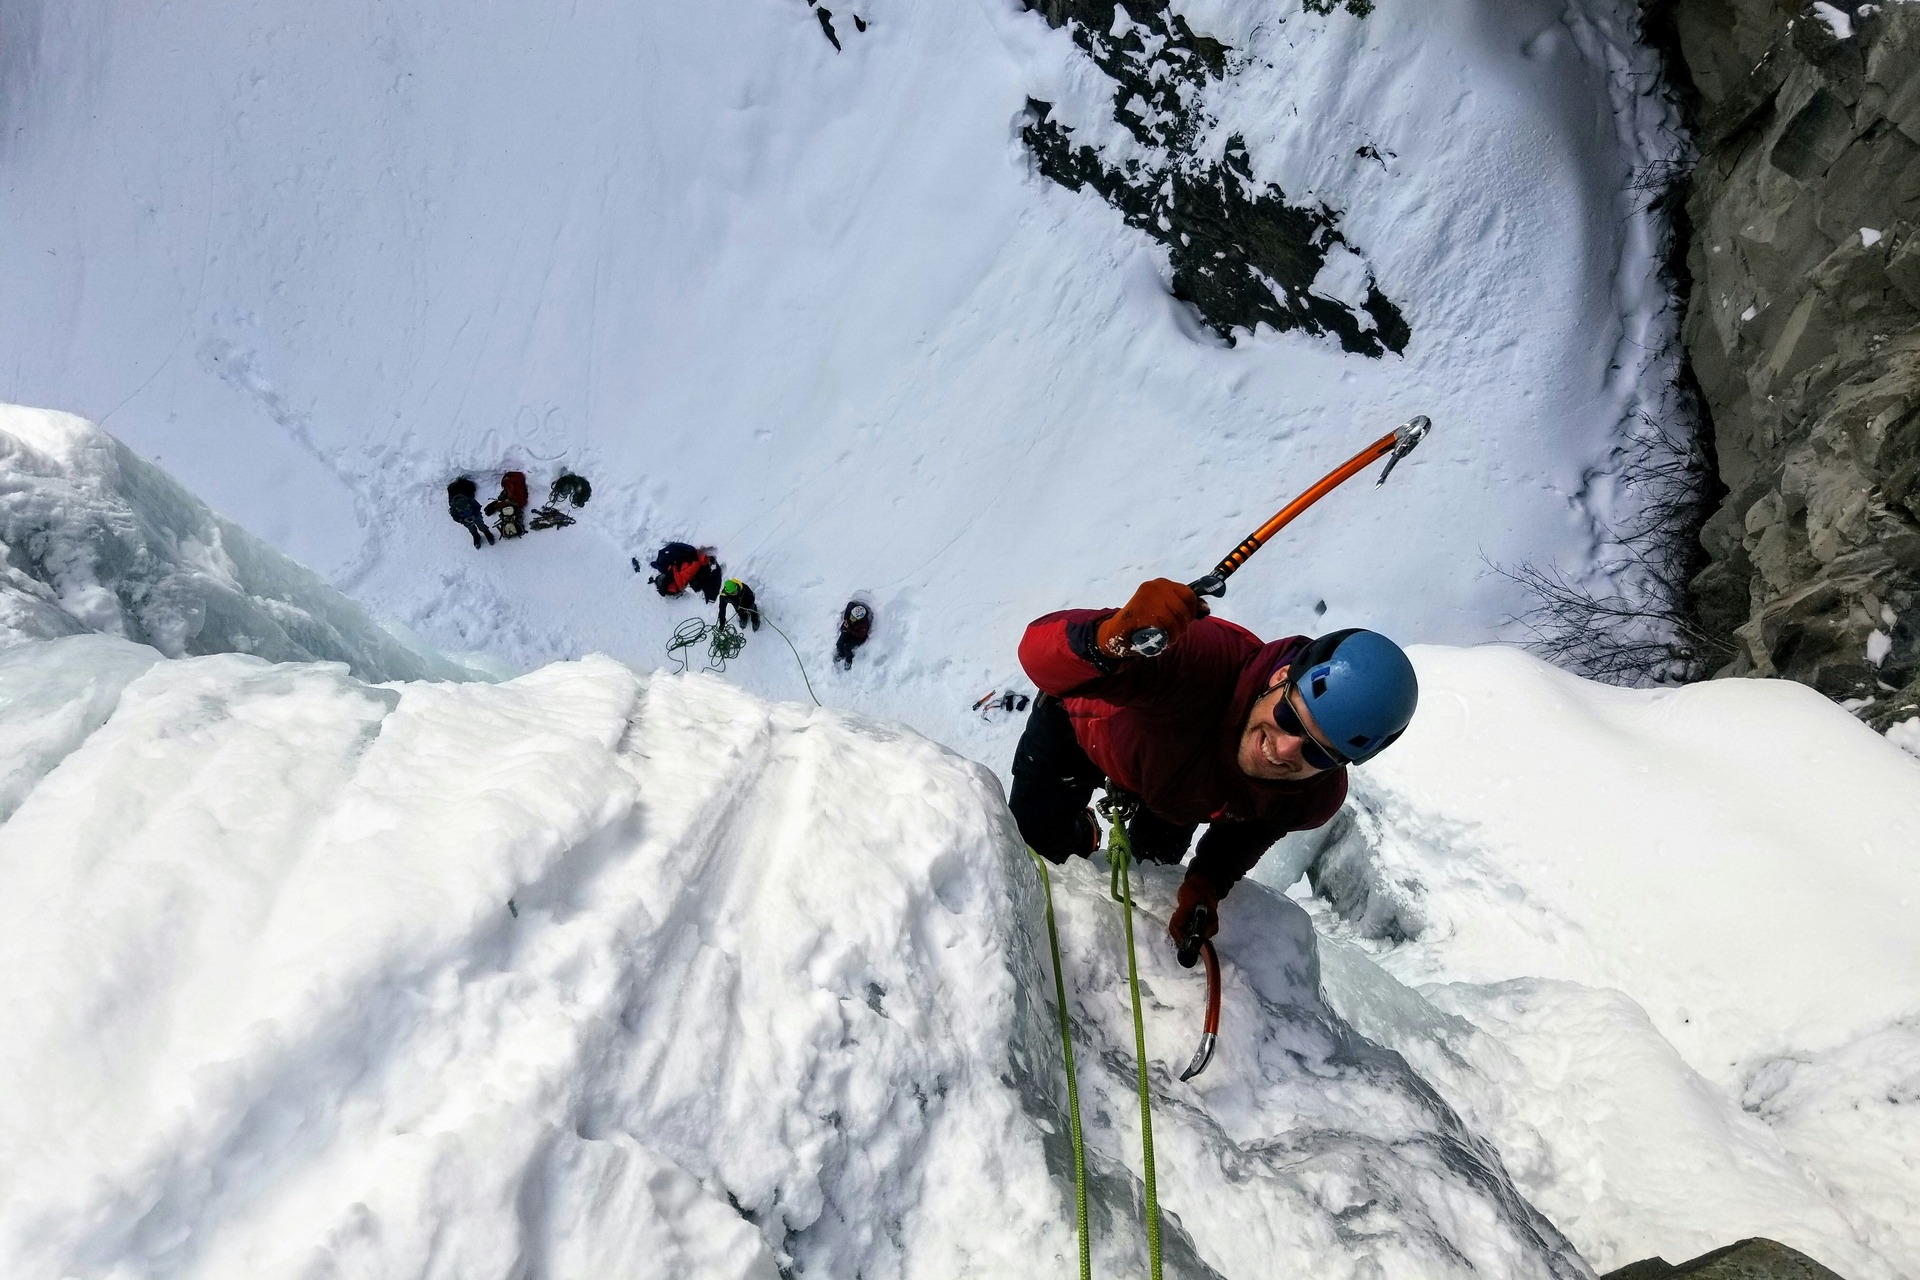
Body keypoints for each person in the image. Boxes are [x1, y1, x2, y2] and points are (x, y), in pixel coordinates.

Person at [1013, 578, 1417, 949]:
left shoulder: (1312, 798)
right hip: (1078, 732)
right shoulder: (1196, 660)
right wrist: (1106, 640)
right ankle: (1083, 832)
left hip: (1178, 794)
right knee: (1035, 849)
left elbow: (1252, 830)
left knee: (1153, 868)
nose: (1286, 749)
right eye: (1290, 719)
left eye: (1317, 751)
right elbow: (1036, 654)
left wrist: (1207, 883)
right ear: (1279, 677)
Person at [643, 542, 723, 602]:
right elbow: (695, 566)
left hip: (689, 561)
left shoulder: (674, 575)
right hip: (695, 558)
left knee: (662, 564)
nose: (663, 575)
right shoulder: (680, 578)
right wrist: (700, 558)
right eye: (663, 578)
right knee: (681, 551)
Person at [446, 476, 494, 548]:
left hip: (476, 516)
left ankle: (486, 532)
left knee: (481, 525)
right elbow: (455, 517)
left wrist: (475, 515)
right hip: (465, 520)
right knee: (471, 528)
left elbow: (477, 507)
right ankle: (475, 535)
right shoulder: (453, 508)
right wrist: (462, 520)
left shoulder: (470, 500)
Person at [485, 470, 529, 539]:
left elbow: (514, 499)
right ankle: (511, 524)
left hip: (517, 503)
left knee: (507, 511)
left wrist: (497, 505)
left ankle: (510, 525)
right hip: (517, 502)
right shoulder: (514, 482)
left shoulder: (510, 484)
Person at [835, 600, 873, 668]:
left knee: (847, 648)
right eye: (851, 615)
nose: (851, 618)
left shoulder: (864, 624)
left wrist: (849, 628)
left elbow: (860, 635)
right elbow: (850, 605)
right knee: (839, 643)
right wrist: (846, 620)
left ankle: (848, 660)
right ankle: (841, 655)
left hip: (857, 638)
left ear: (859, 619)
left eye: (853, 618)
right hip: (849, 629)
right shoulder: (853, 611)